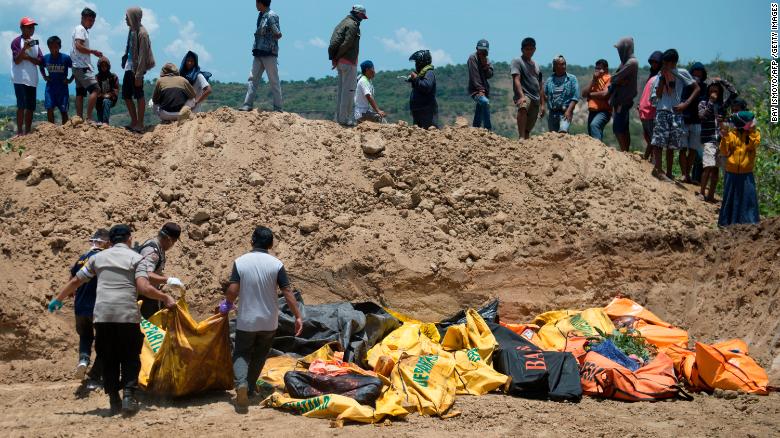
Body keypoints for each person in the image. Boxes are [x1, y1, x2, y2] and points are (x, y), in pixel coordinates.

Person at [48, 225, 177, 416]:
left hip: (103, 316)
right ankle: (128, 395)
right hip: (127, 315)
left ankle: (113, 399)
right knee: (130, 356)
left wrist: (57, 299)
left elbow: (76, 281)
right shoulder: (136, 258)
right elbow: (143, 287)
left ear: (110, 241)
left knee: (109, 357)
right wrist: (165, 297)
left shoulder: (97, 258)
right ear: (129, 239)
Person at [220, 226, 303, 410]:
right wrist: (298, 316)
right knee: (259, 355)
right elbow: (287, 292)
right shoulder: (276, 264)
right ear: (271, 244)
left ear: (252, 241)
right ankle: (249, 390)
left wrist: (225, 308)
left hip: (247, 321)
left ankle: (241, 384)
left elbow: (233, 290)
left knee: (241, 352)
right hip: (269, 321)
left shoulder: (241, 262)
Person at [48, 229, 110, 391]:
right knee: (105, 342)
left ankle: (83, 359)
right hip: (98, 307)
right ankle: (94, 378)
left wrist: (60, 299)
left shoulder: (82, 259)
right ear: (106, 243)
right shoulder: (104, 259)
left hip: (80, 307)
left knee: (85, 336)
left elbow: (72, 281)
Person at [650, 49, 700, 181]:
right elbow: (659, 95)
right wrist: (662, 78)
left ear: (674, 62)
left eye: (668, 63)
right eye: (664, 63)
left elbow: (697, 88)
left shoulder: (681, 73)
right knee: (659, 141)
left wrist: (686, 104)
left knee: (672, 144)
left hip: (676, 111)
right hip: (662, 110)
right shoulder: (660, 75)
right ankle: (658, 169)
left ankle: (669, 172)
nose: (665, 65)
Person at [718, 109, 761, 227]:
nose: (752, 124)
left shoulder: (754, 134)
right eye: (750, 122)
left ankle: (750, 224)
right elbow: (724, 151)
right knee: (730, 199)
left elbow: (754, 144)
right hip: (731, 173)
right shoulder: (731, 135)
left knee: (748, 200)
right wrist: (725, 136)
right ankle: (726, 223)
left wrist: (751, 131)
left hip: (746, 173)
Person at [238, 0, 282, 112]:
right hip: (258, 52)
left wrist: (270, 35)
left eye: (257, 2)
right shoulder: (261, 15)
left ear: (261, 3)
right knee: (252, 79)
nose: (256, 5)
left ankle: (278, 108)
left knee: (273, 80)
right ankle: (247, 104)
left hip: (269, 53)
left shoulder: (272, 15)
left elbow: (278, 33)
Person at [698, 79, 736, 202]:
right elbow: (702, 116)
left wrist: (723, 81)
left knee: (716, 169)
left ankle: (711, 195)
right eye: (712, 89)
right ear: (708, 91)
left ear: (720, 92)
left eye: (716, 90)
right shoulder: (703, 103)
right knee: (708, 166)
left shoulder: (723, 105)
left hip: (721, 139)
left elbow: (734, 93)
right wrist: (711, 102)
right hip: (709, 138)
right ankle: (701, 192)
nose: (714, 92)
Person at [328, 5, 367, 126]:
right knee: (349, 92)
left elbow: (335, 42)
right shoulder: (352, 25)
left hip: (340, 62)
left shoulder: (342, 23)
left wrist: (335, 58)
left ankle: (339, 118)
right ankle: (344, 120)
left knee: (341, 91)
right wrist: (338, 57)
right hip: (348, 62)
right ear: (358, 13)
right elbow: (347, 44)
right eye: (362, 16)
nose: (362, 19)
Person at [137, 223, 184, 320]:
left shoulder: (159, 248)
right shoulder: (152, 251)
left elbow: (156, 271)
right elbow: (146, 275)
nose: (173, 245)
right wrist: (167, 280)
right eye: (174, 242)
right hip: (143, 297)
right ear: (168, 239)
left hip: (151, 294)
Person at [121, 7, 155, 133]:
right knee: (126, 95)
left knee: (139, 94)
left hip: (137, 69)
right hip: (129, 66)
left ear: (133, 17)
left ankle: (140, 123)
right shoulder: (132, 30)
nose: (125, 19)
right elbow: (129, 47)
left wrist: (139, 75)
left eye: (127, 17)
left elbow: (143, 55)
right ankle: (134, 121)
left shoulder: (142, 33)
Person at [11, 17, 43, 136]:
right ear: (22, 28)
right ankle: (20, 131)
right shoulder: (16, 42)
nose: (31, 29)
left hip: (32, 78)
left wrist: (28, 57)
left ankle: (27, 131)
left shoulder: (35, 43)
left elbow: (40, 60)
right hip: (19, 78)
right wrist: (24, 48)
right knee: (21, 105)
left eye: (32, 27)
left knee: (30, 106)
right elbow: (17, 60)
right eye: (29, 27)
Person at [70, 7, 102, 122]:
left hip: (77, 65)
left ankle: (79, 118)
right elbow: (78, 46)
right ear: (83, 18)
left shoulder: (81, 29)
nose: (91, 23)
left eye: (93, 21)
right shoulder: (81, 29)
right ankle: (89, 117)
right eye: (89, 20)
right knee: (96, 89)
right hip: (82, 66)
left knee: (80, 92)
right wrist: (93, 52)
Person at [679, 62, 707, 184]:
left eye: (699, 73)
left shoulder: (705, 87)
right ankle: (684, 174)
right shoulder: (685, 85)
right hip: (684, 119)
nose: (697, 75)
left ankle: (687, 174)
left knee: (693, 150)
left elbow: (704, 102)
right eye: (695, 72)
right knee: (682, 148)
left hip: (697, 122)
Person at [609, 37, 639, 152]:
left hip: (623, 100)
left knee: (618, 128)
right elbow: (616, 78)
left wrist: (617, 80)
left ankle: (624, 151)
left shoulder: (631, 63)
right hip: (620, 99)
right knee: (623, 127)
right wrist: (617, 80)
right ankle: (625, 151)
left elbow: (614, 78)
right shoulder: (625, 62)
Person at [510, 38, 544, 139]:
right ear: (522, 50)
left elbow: (540, 85)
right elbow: (516, 79)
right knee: (523, 107)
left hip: (536, 97)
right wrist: (521, 96)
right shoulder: (517, 61)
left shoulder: (537, 65)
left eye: (531, 49)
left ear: (534, 49)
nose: (529, 51)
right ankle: (521, 138)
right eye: (527, 49)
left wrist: (543, 104)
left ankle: (525, 142)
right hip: (525, 94)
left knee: (528, 127)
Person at [40, 35, 73, 126]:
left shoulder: (65, 58)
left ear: (59, 47)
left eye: (55, 47)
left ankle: (65, 130)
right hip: (50, 88)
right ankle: (51, 129)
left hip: (62, 88)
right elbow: (41, 66)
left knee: (63, 110)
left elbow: (74, 68)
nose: (53, 49)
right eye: (51, 47)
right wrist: (45, 76)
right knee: (49, 108)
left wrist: (70, 80)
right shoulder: (46, 58)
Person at [543, 55, 579, 133]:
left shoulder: (572, 79)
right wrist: (543, 105)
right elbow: (544, 95)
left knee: (563, 131)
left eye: (564, 64)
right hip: (552, 113)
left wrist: (569, 111)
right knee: (553, 136)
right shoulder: (549, 80)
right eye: (561, 64)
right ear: (555, 66)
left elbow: (575, 97)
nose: (564, 66)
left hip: (565, 112)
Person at [639, 51, 663, 161]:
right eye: (652, 63)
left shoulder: (655, 77)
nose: (653, 65)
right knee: (653, 140)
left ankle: (646, 160)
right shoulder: (657, 77)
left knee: (652, 140)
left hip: (647, 111)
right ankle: (653, 163)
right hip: (649, 111)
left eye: (656, 63)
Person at [408, 49, 438, 129]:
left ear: (422, 62)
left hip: (426, 111)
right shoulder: (422, 74)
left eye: (416, 62)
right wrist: (413, 80)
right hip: (419, 111)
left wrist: (415, 79)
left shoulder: (429, 73)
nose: (416, 64)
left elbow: (426, 87)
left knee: (429, 133)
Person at [467, 39, 494, 130]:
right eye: (481, 49)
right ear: (477, 48)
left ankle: (475, 128)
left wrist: (485, 66)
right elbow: (474, 75)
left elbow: (490, 75)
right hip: (476, 89)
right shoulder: (472, 58)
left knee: (480, 108)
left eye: (484, 50)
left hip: (485, 89)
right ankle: (488, 128)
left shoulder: (487, 60)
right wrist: (480, 90)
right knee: (484, 102)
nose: (482, 51)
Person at [582, 59, 611, 141]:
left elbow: (605, 94)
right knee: (592, 133)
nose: (597, 70)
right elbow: (583, 94)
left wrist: (590, 95)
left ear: (606, 69)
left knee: (594, 125)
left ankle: (597, 150)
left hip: (604, 111)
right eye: (596, 68)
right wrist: (594, 80)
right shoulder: (594, 79)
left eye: (600, 68)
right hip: (592, 111)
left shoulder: (609, 78)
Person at [95, 57, 120, 125]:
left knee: (106, 101)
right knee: (98, 101)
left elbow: (116, 91)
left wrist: (109, 95)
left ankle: (105, 122)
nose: (104, 67)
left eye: (105, 65)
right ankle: (100, 121)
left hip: (111, 99)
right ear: (99, 67)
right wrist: (102, 95)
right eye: (102, 66)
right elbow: (96, 91)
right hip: (100, 98)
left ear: (108, 66)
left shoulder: (113, 77)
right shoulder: (96, 77)